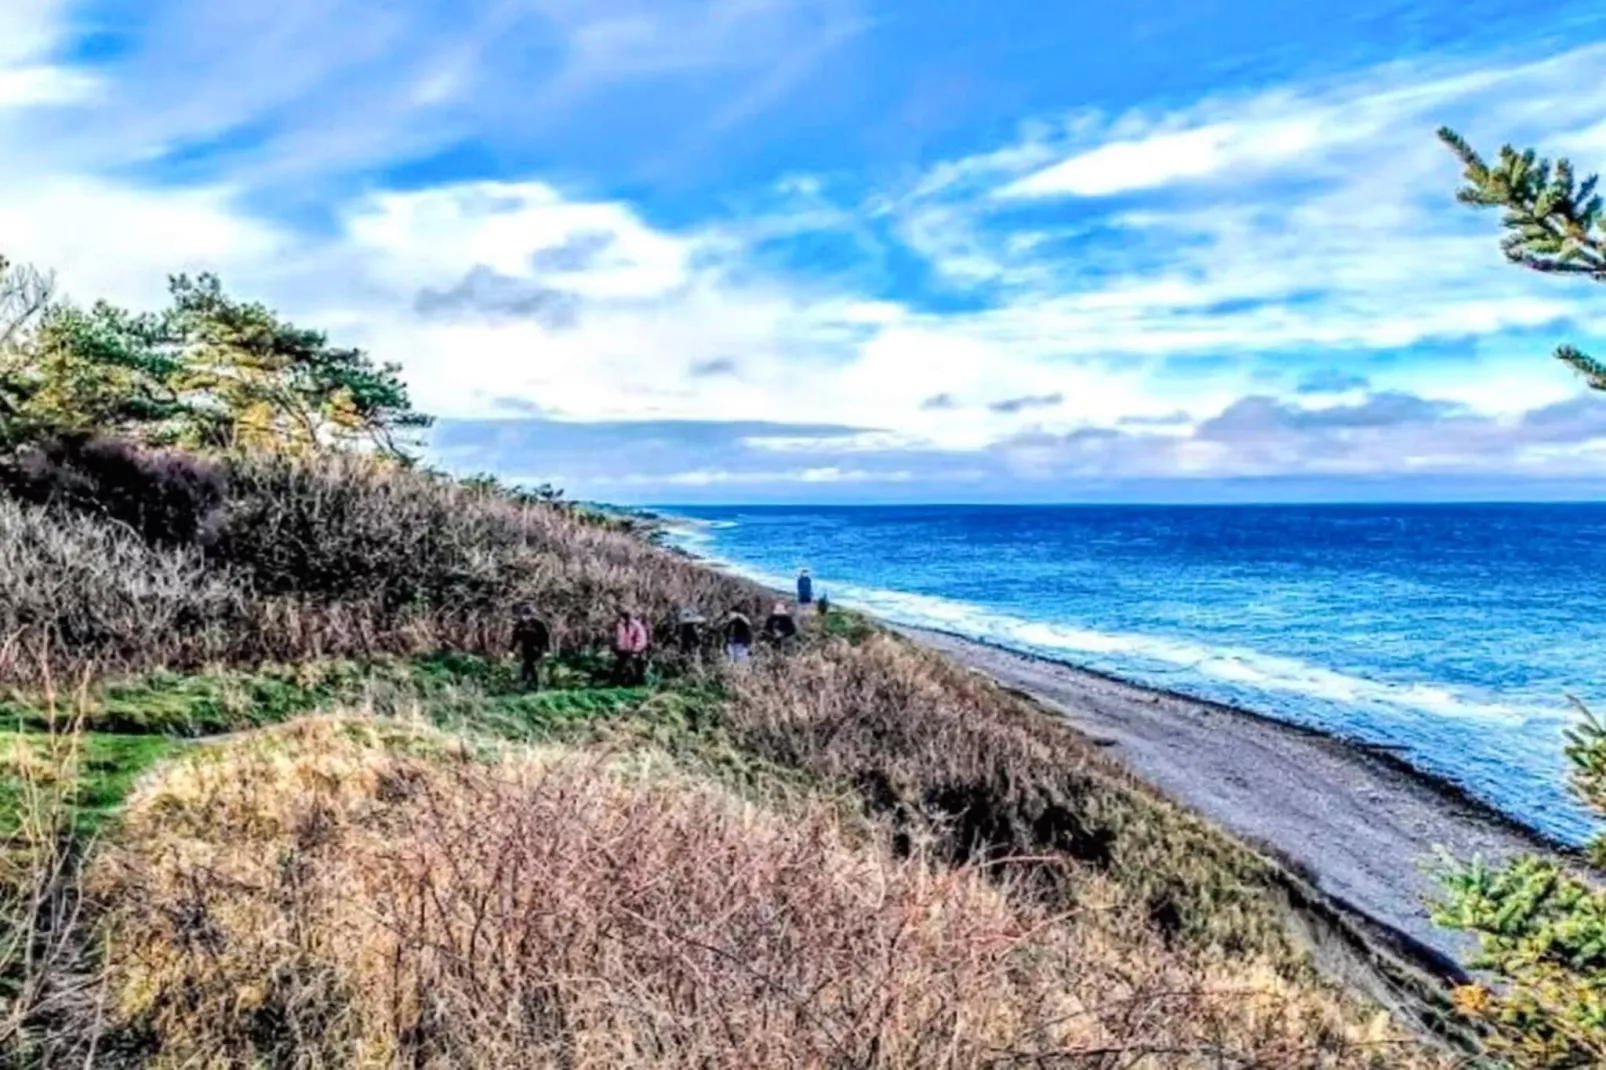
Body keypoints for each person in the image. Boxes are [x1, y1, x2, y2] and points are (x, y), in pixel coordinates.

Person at [510, 605, 551, 690]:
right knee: (528, 664)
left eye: (527, 615)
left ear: (531, 615)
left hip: (536, 647)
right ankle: (531, 683)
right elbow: (515, 637)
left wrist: (547, 650)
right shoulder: (520, 624)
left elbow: (545, 637)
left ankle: (525, 681)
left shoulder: (538, 624)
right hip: (525, 647)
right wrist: (511, 650)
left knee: (529, 663)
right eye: (524, 615)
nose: (525, 618)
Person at [614, 608, 651, 685]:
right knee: (620, 667)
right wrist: (619, 647)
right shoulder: (620, 625)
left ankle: (637, 682)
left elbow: (641, 638)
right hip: (624, 650)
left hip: (635, 650)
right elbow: (619, 638)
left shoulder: (636, 625)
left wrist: (636, 649)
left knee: (634, 667)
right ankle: (619, 682)